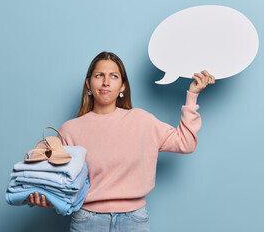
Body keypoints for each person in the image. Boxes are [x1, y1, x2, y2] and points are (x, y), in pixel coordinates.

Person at [27, 51, 215, 231]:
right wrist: (48, 200)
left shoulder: (142, 121)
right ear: (88, 84)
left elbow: (186, 143)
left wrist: (192, 95)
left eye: (114, 76)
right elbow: (63, 182)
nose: (106, 82)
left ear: (123, 86)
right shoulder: (70, 129)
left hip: (134, 220)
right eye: (99, 75)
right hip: (87, 220)